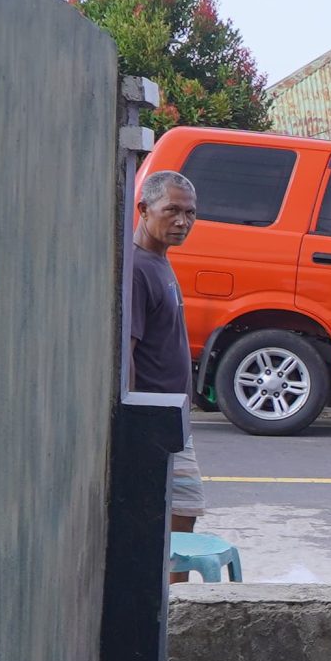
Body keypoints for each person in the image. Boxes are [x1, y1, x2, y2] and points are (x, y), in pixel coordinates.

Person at [129, 168, 204, 572]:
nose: (182, 221)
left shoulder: (159, 261)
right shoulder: (138, 268)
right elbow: (127, 354)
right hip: (154, 422)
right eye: (172, 210)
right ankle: (170, 603)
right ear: (143, 209)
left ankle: (172, 600)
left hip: (174, 420)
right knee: (176, 525)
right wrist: (136, 428)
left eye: (190, 213)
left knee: (183, 518)